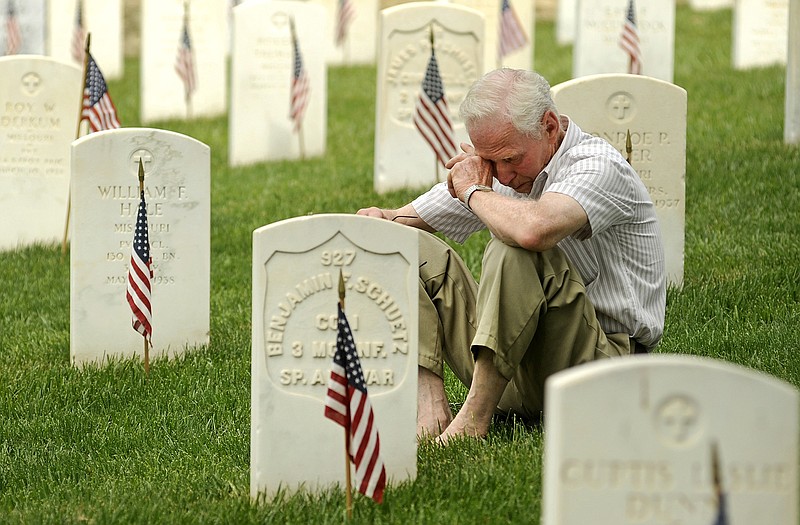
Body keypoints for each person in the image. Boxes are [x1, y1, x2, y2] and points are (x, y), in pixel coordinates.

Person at [357, 68, 665, 443]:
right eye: (488, 161)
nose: (501, 175)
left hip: (598, 368)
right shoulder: (505, 171)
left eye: (510, 159)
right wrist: (380, 220)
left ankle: (475, 419)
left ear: (549, 127)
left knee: (514, 249)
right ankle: (431, 408)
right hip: (516, 368)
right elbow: (404, 220)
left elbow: (533, 230)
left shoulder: (598, 165)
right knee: (400, 245)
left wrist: (473, 190)